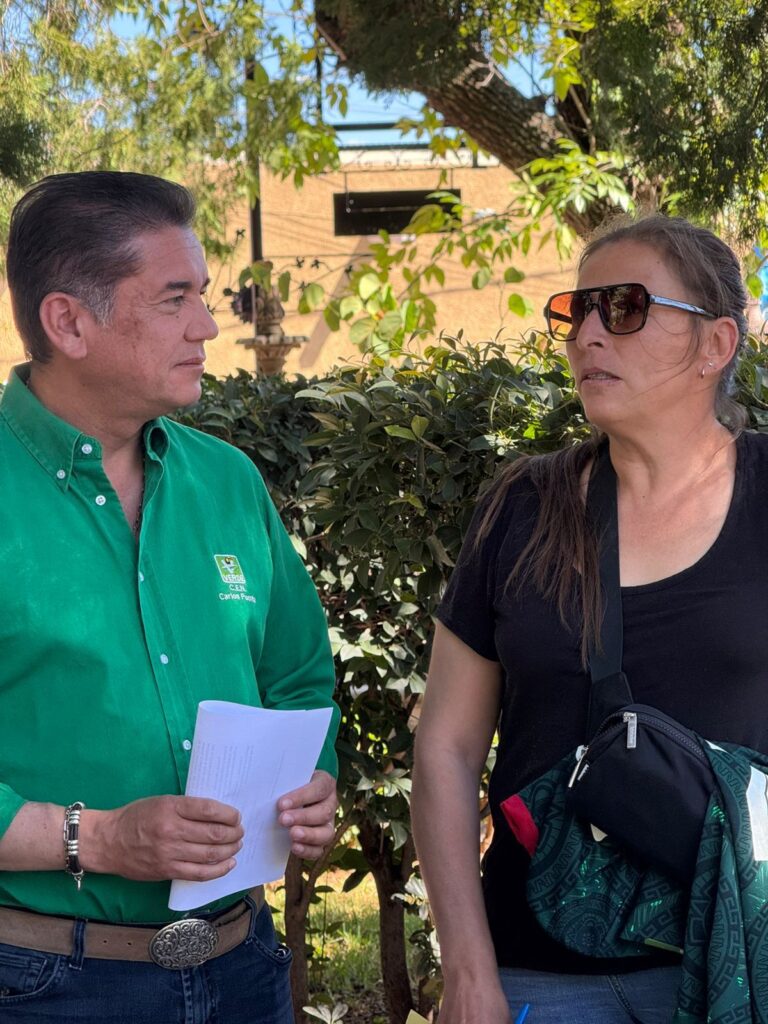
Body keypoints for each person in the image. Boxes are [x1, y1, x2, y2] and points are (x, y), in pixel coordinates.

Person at [0, 171, 340, 1022]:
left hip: (245, 968)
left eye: (204, 295)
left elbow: (299, 677)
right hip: (43, 986)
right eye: (174, 299)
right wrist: (103, 838)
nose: (208, 326)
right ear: (68, 322)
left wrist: (312, 781)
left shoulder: (227, 481)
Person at [411, 215, 768, 1023]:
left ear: (715, 344)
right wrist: (469, 973)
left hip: (736, 961)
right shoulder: (522, 505)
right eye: (578, 311)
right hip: (540, 972)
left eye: (626, 307)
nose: (588, 335)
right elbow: (447, 748)